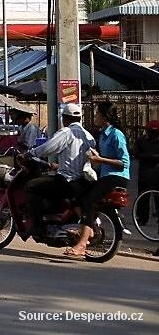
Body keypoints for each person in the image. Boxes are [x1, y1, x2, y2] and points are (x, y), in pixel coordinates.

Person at [66, 102, 131, 257]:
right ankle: (85, 227)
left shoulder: (116, 134)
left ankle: (82, 244)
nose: (95, 117)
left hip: (117, 177)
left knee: (89, 201)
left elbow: (124, 163)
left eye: (97, 114)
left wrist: (100, 159)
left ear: (104, 117)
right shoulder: (102, 135)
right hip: (104, 176)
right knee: (76, 191)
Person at [23, 103, 95, 238]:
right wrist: (57, 165)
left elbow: (48, 147)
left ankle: (37, 227)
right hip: (83, 180)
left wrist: (31, 153)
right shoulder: (88, 136)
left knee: (31, 186)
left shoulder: (67, 132)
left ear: (65, 119)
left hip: (67, 179)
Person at [135, 120, 159, 225]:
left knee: (158, 198)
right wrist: (151, 156)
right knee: (143, 198)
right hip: (144, 174)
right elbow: (136, 154)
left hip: (157, 174)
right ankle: (141, 218)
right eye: (151, 132)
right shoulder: (141, 140)